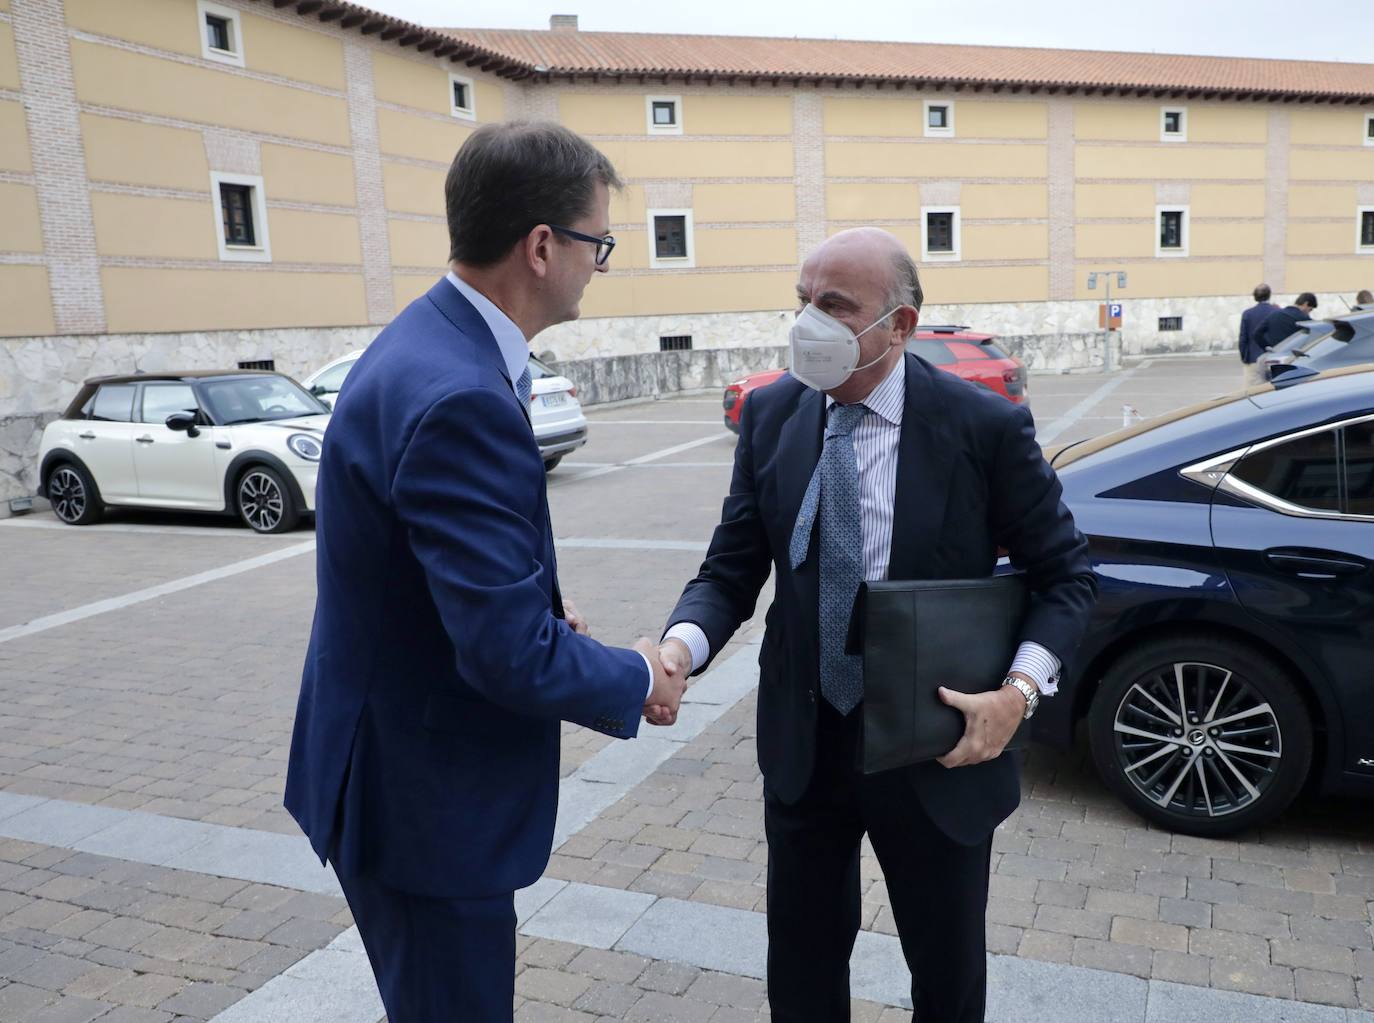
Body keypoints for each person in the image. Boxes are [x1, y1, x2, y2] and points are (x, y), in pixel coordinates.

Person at [284, 122, 686, 1021]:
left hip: (390, 771)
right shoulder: (463, 390)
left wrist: (531, 603)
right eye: (600, 244)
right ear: (541, 246)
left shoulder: (425, 342)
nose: (600, 266)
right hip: (427, 807)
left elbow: (421, 571)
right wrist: (634, 672)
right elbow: (506, 654)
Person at [652, 228, 1097, 1023]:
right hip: (806, 742)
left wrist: (1018, 693)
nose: (808, 325)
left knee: (947, 971)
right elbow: (730, 568)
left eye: (834, 306)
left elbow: (1066, 578)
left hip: (937, 744)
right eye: (801, 302)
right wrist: (679, 649)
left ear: (900, 325)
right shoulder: (773, 416)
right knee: (802, 962)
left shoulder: (981, 426)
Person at [1253, 292, 1319, 375]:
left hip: (1273, 359)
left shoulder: (1274, 314)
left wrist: (1268, 348)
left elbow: (1257, 334)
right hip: (1293, 361)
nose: (1309, 313)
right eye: (1310, 309)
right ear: (1305, 304)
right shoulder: (1304, 319)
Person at [1238, 283, 1279, 387]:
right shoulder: (1277, 311)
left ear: (1255, 296)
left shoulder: (1248, 313)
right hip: (1273, 358)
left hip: (1253, 358)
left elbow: (1243, 338)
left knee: (1252, 391)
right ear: (1269, 295)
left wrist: (1244, 357)